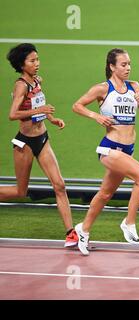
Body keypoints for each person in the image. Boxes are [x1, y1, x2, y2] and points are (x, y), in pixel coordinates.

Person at [72, 48, 139, 256]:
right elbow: (77, 106)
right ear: (112, 67)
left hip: (128, 149)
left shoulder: (134, 86)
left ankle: (83, 229)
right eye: (123, 64)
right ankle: (129, 222)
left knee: (106, 193)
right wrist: (96, 116)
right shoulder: (102, 89)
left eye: (129, 64)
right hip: (109, 148)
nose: (128, 68)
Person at [1, 43, 77, 247]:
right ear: (21, 64)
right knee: (20, 192)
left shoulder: (36, 81)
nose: (37, 64)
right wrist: (39, 111)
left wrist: (51, 119)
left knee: (59, 185)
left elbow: (38, 104)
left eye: (37, 59)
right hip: (24, 142)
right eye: (32, 61)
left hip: (42, 139)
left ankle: (71, 234)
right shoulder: (21, 85)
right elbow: (12, 114)